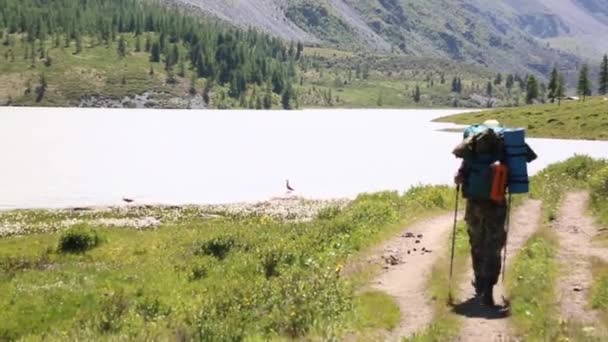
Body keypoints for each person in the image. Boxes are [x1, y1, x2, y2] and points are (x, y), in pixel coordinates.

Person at [453, 119, 536, 307]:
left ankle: (479, 282)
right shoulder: (504, 148)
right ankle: (489, 288)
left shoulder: (472, 149)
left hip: (474, 202)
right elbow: (527, 158)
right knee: (494, 243)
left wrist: (460, 179)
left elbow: (460, 175)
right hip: (496, 202)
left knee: (476, 241)